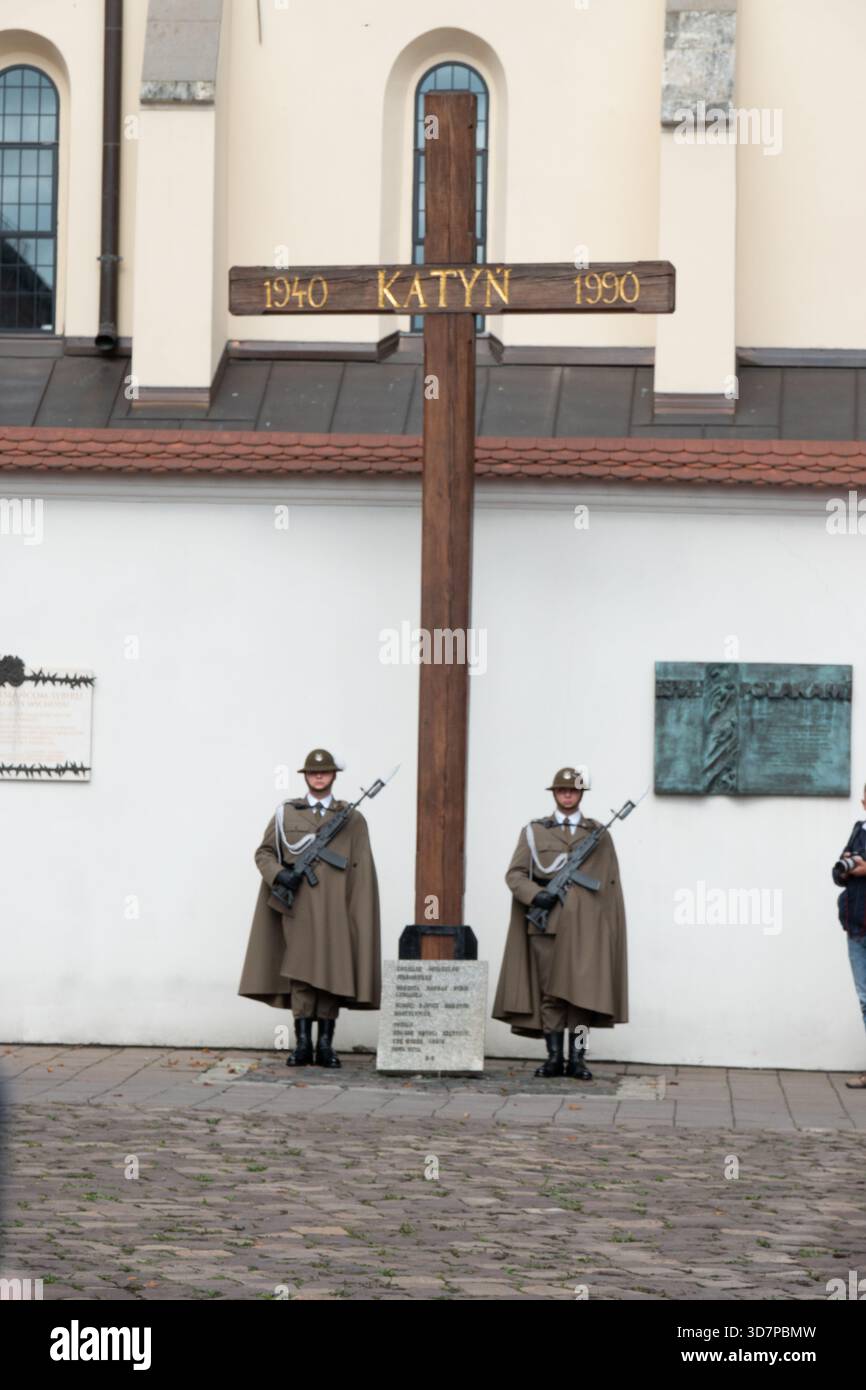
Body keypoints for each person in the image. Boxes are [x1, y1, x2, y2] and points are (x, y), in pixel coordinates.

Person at [238, 748, 381, 1068]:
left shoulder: (352, 819)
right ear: (305, 776)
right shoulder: (286, 814)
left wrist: (356, 912)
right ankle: (302, 1045)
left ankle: (326, 1046)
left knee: (332, 973)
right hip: (298, 905)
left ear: (333, 776)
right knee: (301, 974)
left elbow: (361, 869)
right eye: (313, 772)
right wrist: (280, 875)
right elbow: (264, 854)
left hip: (335, 909)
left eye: (325, 772)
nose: (319, 776)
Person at [492, 766, 628, 1080]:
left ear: (581, 794)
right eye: (562, 790)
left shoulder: (598, 834)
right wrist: (535, 895)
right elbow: (515, 874)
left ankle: (578, 1059)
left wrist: (604, 928)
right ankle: (554, 1058)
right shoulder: (535, 831)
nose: (567, 795)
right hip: (547, 925)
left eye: (573, 790)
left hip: (585, 930)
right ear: (554, 793)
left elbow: (608, 885)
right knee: (551, 996)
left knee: (582, 997)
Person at [831, 783, 866, 1088]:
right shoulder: (859, 830)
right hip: (856, 927)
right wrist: (844, 869)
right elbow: (836, 876)